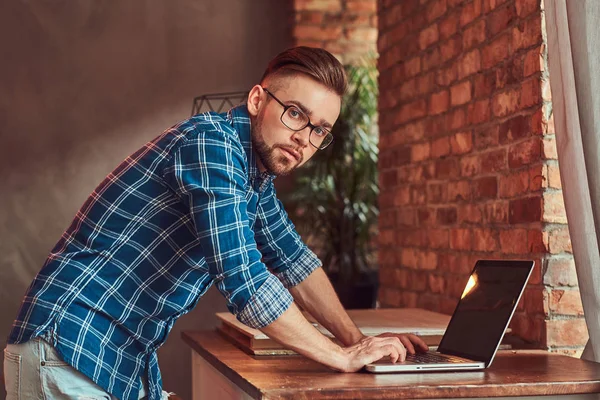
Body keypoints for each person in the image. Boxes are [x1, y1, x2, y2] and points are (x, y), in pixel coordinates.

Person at [3, 46, 427, 400]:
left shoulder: (253, 176)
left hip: (113, 360)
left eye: (320, 130)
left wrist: (356, 341)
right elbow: (243, 278)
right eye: (295, 113)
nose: (304, 138)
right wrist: (340, 356)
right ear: (258, 101)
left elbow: (295, 261)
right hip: (67, 348)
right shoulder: (211, 144)